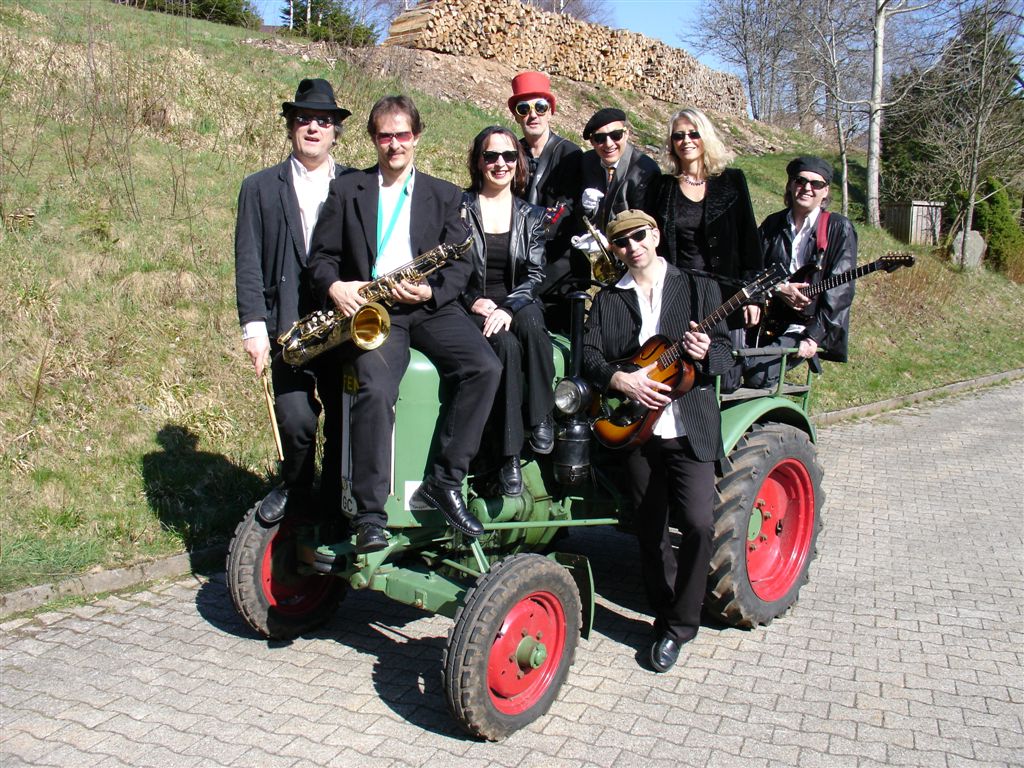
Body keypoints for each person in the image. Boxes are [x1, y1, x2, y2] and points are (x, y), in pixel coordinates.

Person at [307, 95, 501, 554]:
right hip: (374, 311)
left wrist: (433, 292)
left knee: (485, 368)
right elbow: (321, 258)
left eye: (403, 135)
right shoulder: (347, 189)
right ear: (373, 139)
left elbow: (461, 264)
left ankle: (445, 481)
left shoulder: (445, 195)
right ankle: (370, 515)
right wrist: (336, 287)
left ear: (417, 137)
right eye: (385, 136)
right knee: (375, 389)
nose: (395, 144)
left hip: (429, 306)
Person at [582, 210, 733, 673]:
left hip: (688, 427)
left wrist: (707, 353)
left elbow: (727, 357)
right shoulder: (609, 299)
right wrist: (620, 380)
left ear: (656, 235)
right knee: (649, 530)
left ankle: (682, 624)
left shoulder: (697, 287)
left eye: (639, 236)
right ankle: (667, 615)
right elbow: (589, 356)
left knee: (699, 524)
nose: (633, 246)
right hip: (637, 430)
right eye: (622, 241)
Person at [234, 78, 351, 525]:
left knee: (345, 420)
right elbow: (248, 260)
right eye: (304, 119)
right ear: (290, 127)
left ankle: (336, 503)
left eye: (323, 121)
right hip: (287, 325)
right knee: (296, 419)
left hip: (343, 324)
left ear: (335, 131)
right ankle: (297, 489)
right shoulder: (259, 187)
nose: (313, 128)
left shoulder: (358, 184)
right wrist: (254, 328)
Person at [462, 126, 556, 496]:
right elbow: (451, 268)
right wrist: (472, 300)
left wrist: (509, 307)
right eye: (491, 156)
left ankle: (541, 416)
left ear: (518, 162)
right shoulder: (460, 209)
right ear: (478, 161)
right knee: (506, 347)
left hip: (517, 299)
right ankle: (509, 455)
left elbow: (535, 274)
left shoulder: (531, 215)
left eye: (508, 156)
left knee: (532, 324)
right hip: (476, 304)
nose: (500, 163)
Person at [648, 107, 763, 389]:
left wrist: (754, 296)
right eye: (678, 136)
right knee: (679, 376)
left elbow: (750, 242)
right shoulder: (662, 187)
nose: (686, 141)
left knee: (725, 380)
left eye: (693, 134)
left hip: (726, 296)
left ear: (705, 137)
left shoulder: (732, 181)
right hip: (677, 294)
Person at [743, 156, 857, 389]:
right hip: (767, 318)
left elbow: (840, 291)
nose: (807, 188)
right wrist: (773, 290)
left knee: (757, 375)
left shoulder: (837, 227)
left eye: (816, 184)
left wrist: (814, 336)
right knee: (726, 368)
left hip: (805, 326)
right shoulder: (773, 224)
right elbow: (751, 268)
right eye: (800, 181)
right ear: (790, 185)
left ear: (825, 191)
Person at [507, 71, 582, 327]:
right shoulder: (510, 153)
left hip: (557, 267)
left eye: (540, 107)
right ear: (516, 115)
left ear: (550, 111)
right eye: (524, 108)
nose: (533, 115)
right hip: (516, 263)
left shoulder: (569, 153)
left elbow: (566, 209)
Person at [576, 107, 660, 233]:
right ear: (592, 142)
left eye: (616, 135)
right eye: (600, 138)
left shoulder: (645, 171)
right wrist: (586, 210)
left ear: (626, 134)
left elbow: (645, 225)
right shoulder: (587, 162)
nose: (609, 144)